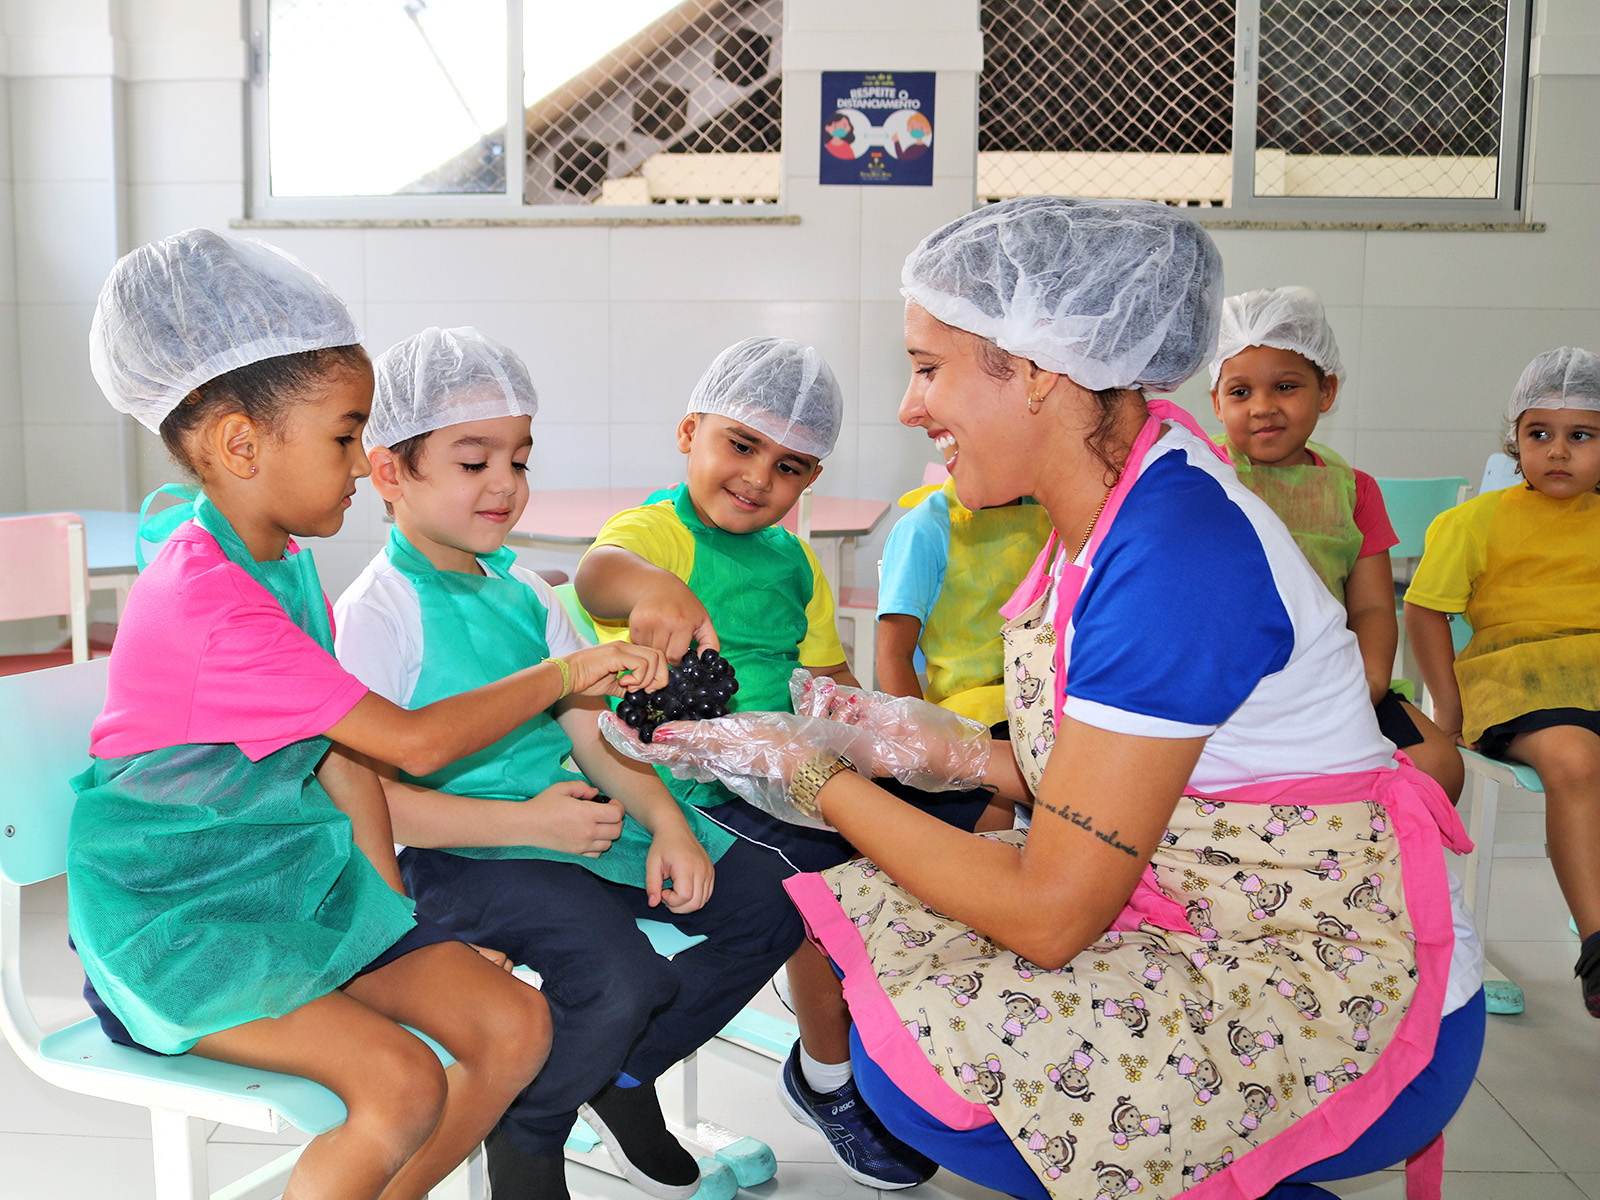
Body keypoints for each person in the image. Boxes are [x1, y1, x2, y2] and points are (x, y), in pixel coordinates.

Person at [610, 197, 1485, 1200]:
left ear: (1034, 370)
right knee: (895, 1005)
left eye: (928, 367)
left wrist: (808, 773)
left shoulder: (1172, 552)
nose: (907, 407)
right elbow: (1157, 766)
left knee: (932, 1078)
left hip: (1332, 975)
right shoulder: (1116, 495)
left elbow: (1050, 915)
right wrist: (945, 750)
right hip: (1205, 897)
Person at [68, 230, 668, 1200]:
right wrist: (570, 672)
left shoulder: (278, 558)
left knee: (515, 1026)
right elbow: (412, 742)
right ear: (239, 443)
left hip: (295, 887)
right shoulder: (209, 598)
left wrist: (391, 919)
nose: (361, 464)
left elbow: (344, 763)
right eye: (346, 436)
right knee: (399, 1083)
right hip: (183, 922)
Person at [333, 326, 804, 1199]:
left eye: (518, 459)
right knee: (621, 982)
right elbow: (372, 801)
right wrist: (526, 823)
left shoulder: (525, 592)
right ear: (391, 474)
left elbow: (591, 737)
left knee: (776, 899)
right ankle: (533, 1121)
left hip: (573, 825)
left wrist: (668, 823)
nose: (505, 486)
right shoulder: (378, 612)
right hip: (460, 857)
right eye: (474, 463)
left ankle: (614, 1076)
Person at [573, 337, 993, 873]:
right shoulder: (658, 531)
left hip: (785, 770)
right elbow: (598, 573)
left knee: (947, 812)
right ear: (689, 432)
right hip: (686, 784)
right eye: (742, 446)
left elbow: (829, 673)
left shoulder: (795, 561)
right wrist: (654, 588)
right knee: (819, 867)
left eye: (789, 466)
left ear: (812, 478)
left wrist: (870, 731)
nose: (758, 478)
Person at [1209, 286, 1464, 803]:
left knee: (1437, 769)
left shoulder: (1355, 491)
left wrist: (1367, 686)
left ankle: (1378, 881)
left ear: (1326, 392)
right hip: (1227, 686)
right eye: (1240, 392)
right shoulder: (1198, 478)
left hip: (1337, 679)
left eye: (1285, 387)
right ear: (1215, 401)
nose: (1262, 408)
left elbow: (1371, 606)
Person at [1405, 345, 1600, 1018]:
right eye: (1538, 434)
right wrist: (1449, 708)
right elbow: (1426, 609)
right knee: (1574, 757)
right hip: (1521, 682)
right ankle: (1598, 948)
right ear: (1514, 441)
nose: (1557, 451)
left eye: (1581, 436)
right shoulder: (1476, 521)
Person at [875, 470, 1053, 831]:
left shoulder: (1053, 514)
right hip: (972, 710)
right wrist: (921, 746)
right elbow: (893, 655)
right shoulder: (924, 530)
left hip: (1050, 697)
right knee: (991, 818)